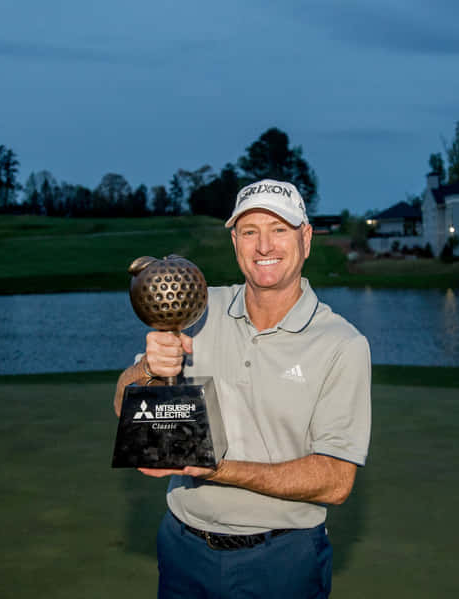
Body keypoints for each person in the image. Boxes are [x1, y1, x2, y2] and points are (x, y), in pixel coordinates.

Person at [114, 178, 371, 598]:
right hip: (183, 548)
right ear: (235, 241)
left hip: (281, 559)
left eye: (279, 230)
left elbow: (335, 480)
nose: (264, 246)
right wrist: (148, 368)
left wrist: (218, 469)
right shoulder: (195, 307)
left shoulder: (342, 343)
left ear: (305, 238)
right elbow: (125, 405)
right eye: (250, 231)